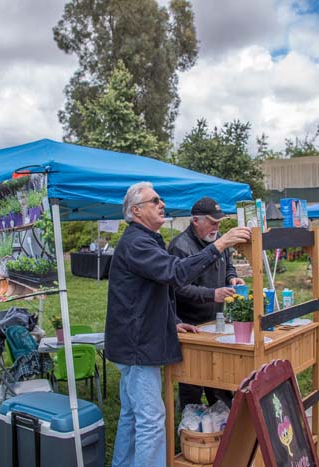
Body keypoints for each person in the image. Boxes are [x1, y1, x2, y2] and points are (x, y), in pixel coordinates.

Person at [106, 182, 250, 467]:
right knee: (151, 420)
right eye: (154, 200)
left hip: (135, 341)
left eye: (161, 199)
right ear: (136, 211)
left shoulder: (145, 240)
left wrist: (172, 321)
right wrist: (221, 244)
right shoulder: (137, 242)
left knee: (133, 416)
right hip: (137, 346)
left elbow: (147, 292)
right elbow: (175, 273)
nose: (162, 204)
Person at [168, 196, 244, 410]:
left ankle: (220, 425)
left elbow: (229, 265)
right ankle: (189, 428)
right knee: (192, 382)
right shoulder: (180, 247)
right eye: (212, 222)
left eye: (219, 223)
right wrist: (213, 294)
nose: (217, 227)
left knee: (219, 377)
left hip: (216, 322)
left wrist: (232, 278)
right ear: (195, 221)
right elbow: (178, 288)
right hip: (191, 326)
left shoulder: (219, 241)